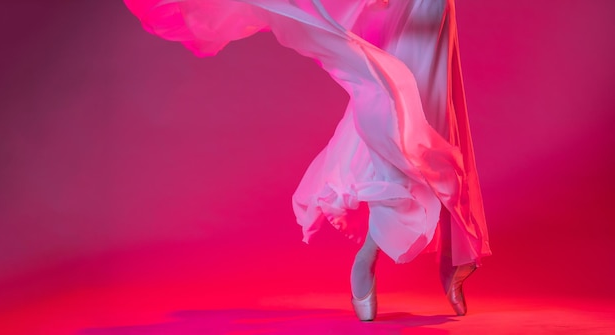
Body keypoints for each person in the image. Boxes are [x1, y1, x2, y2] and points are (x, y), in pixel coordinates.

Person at [124, 0, 491, 321]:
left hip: (433, 10)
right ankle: (371, 257)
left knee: (435, 114)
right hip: (397, 13)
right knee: (400, 119)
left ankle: (451, 247)